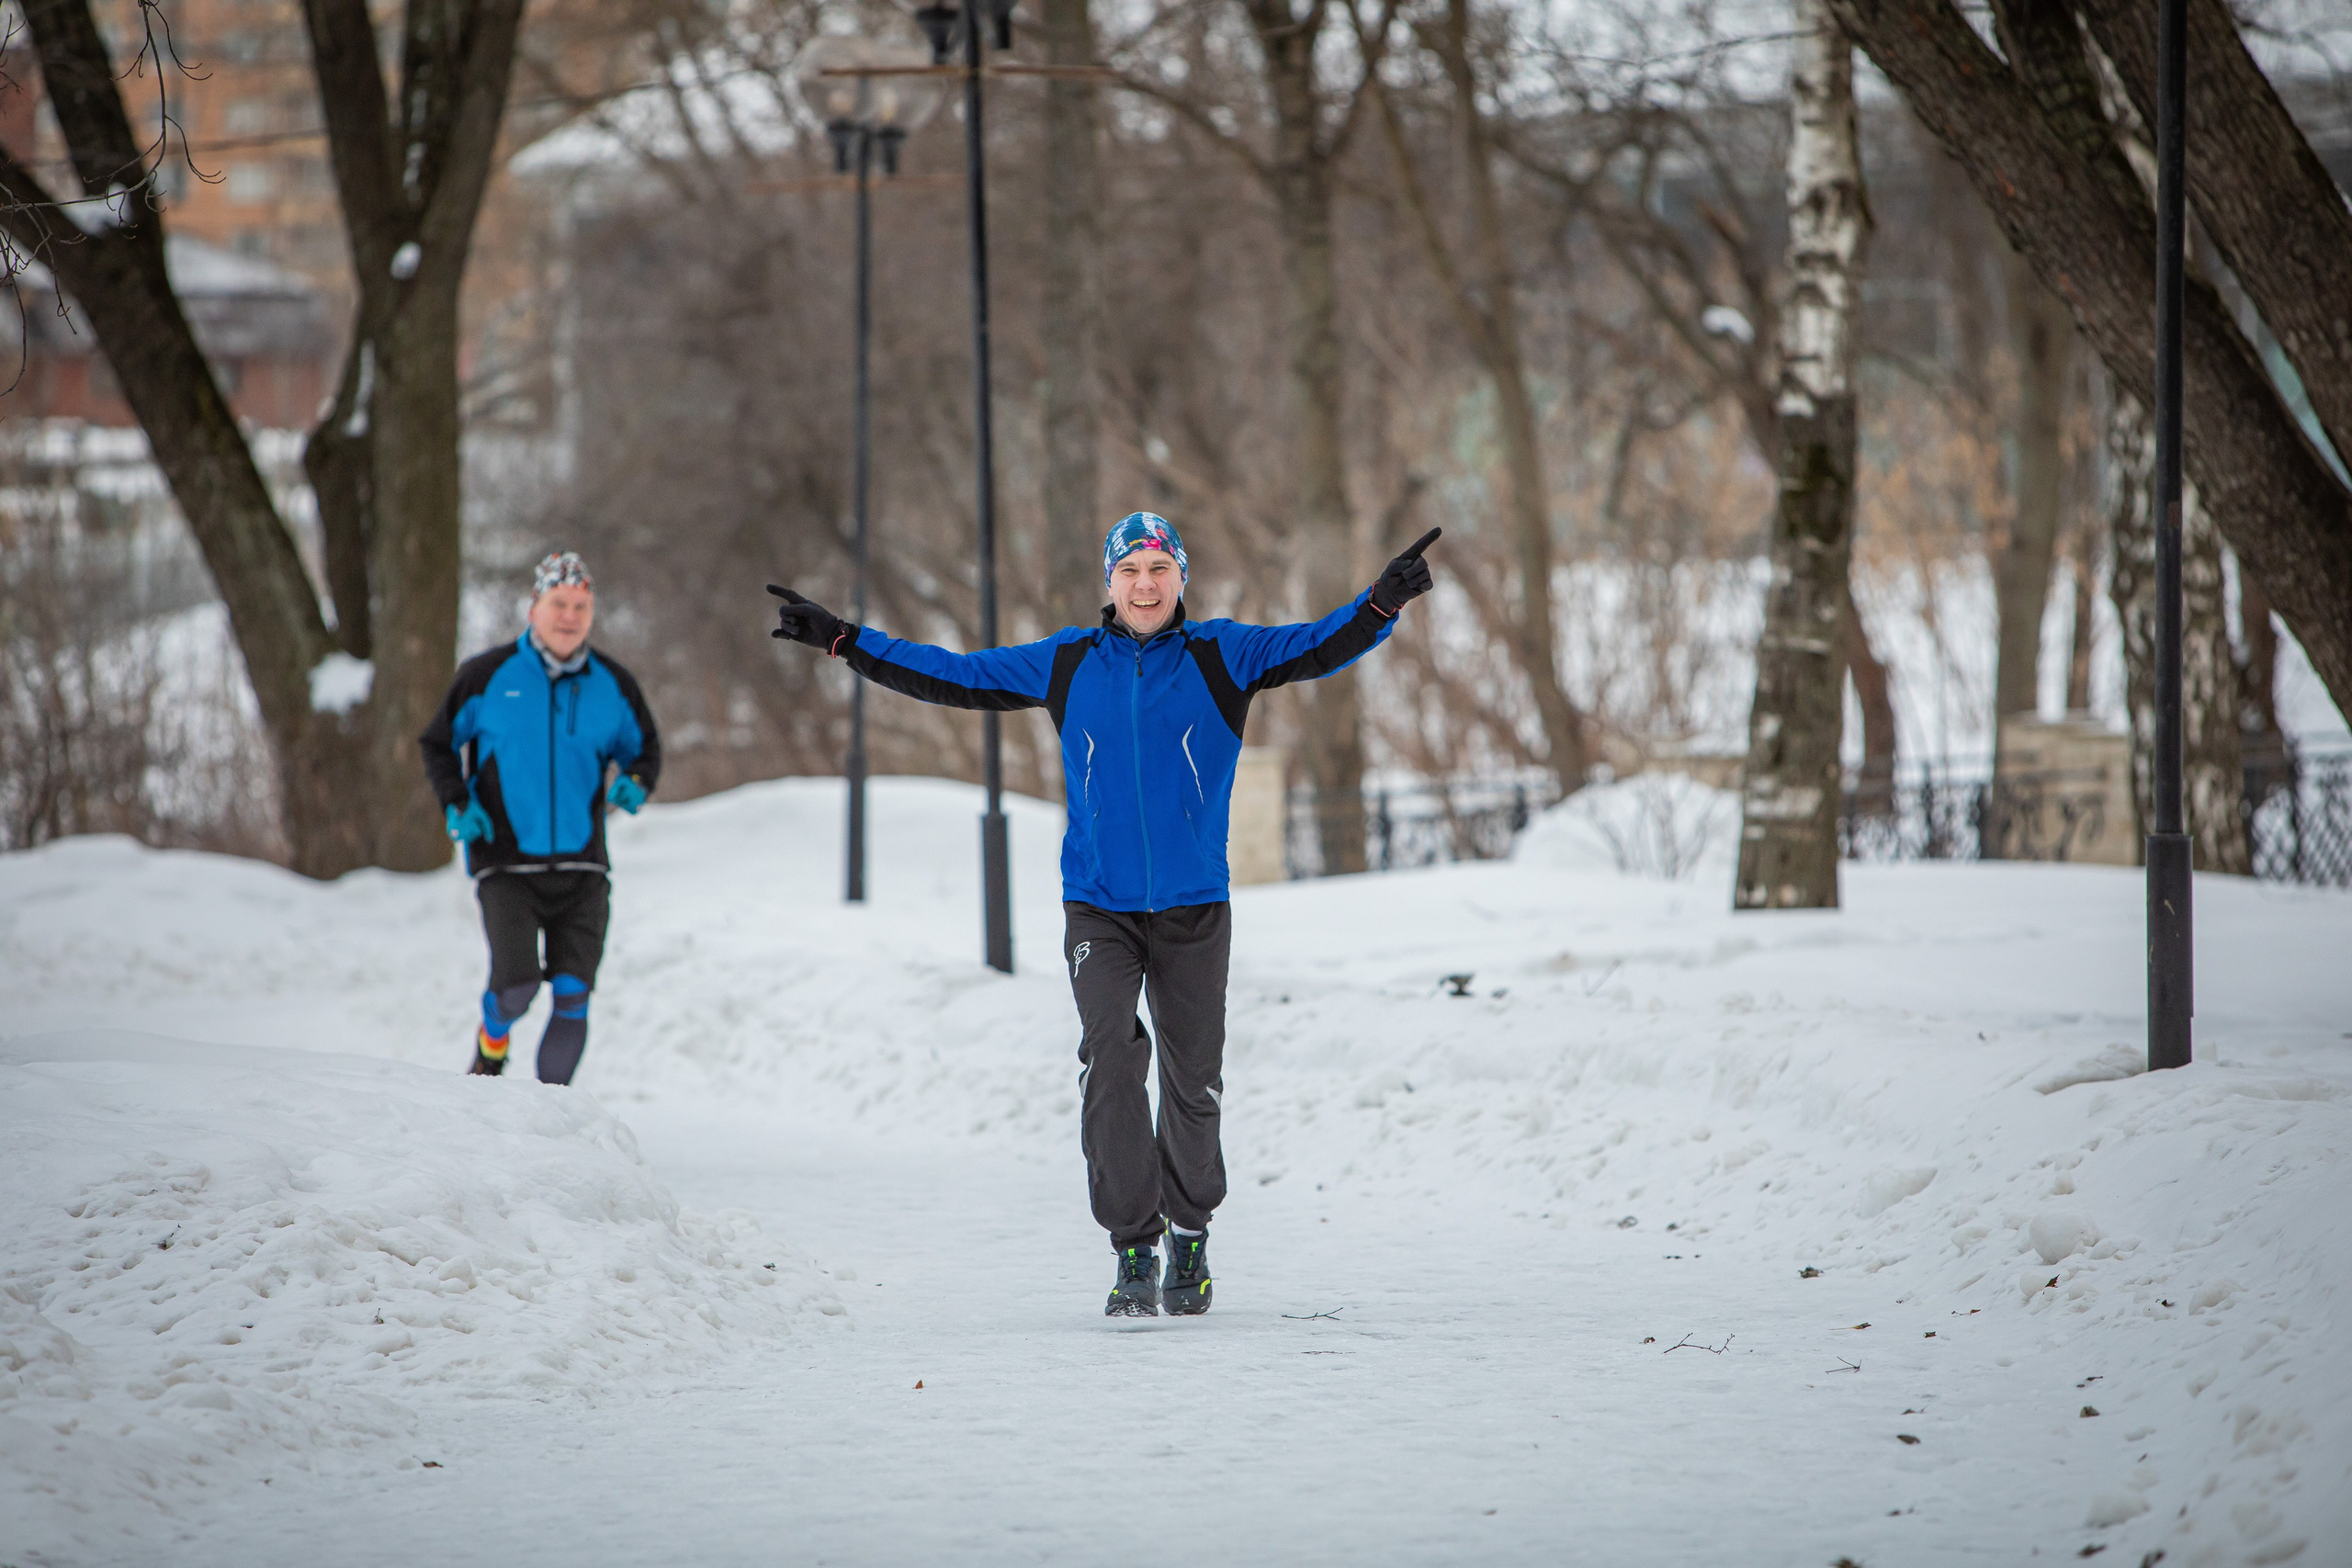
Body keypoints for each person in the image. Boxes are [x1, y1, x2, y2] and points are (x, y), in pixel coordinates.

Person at [766, 513, 1439, 1315]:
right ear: (1109, 582)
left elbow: (1319, 643)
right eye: (1130, 571)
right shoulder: (1069, 662)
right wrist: (845, 640)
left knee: (1193, 1079)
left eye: (1159, 569)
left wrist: (1380, 603)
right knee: (1112, 1059)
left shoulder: (1223, 654)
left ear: (1181, 577)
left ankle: (1190, 1230)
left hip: (1194, 906)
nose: (1145, 585)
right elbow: (955, 674)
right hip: (1099, 906)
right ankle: (1134, 1247)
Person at [420, 550, 662, 1084]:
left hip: (583, 866)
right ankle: (492, 1045)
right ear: (534, 608)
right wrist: (458, 802)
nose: (569, 616)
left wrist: (637, 781)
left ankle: (551, 1111)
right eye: (559, 604)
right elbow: (438, 743)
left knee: (574, 993)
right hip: (506, 863)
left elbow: (645, 749)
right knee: (516, 989)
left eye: (581, 606)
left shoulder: (613, 684)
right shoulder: (485, 677)